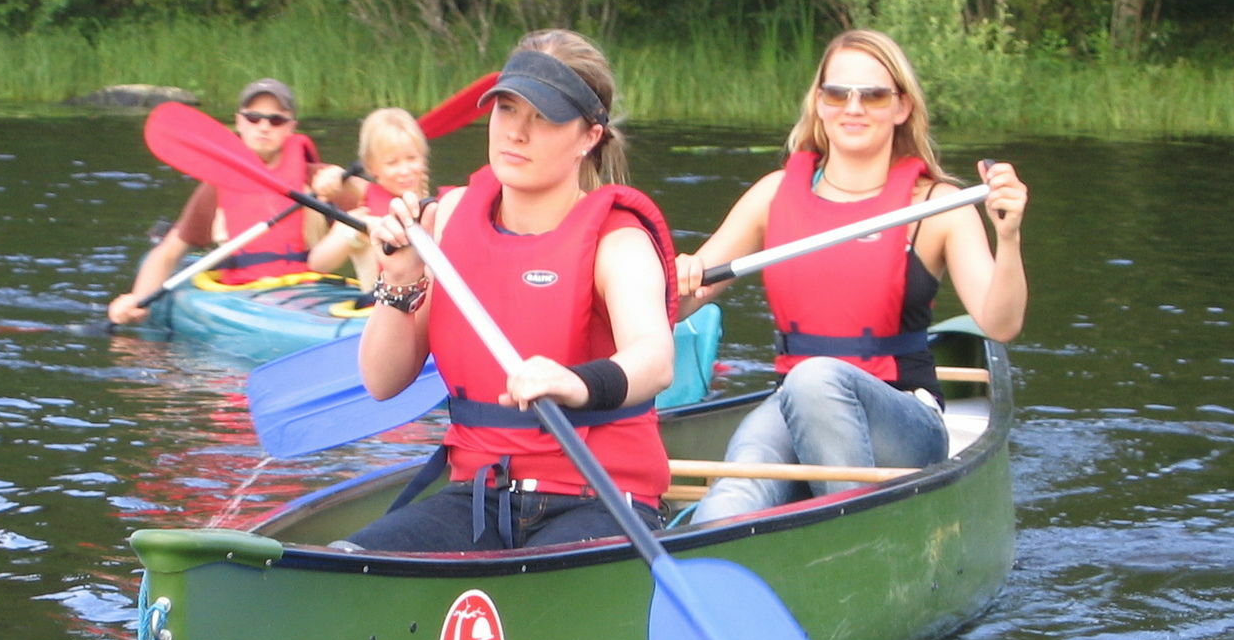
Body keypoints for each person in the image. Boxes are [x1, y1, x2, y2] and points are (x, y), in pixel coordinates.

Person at [338, 30, 676, 553]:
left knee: (537, 585)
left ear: (589, 135)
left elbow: (655, 361)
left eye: (543, 117)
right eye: (507, 109)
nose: (516, 132)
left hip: (599, 496)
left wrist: (574, 381)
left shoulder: (619, 240)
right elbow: (381, 382)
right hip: (479, 496)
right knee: (349, 564)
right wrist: (400, 279)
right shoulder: (445, 220)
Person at [674, 29, 1029, 522]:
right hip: (796, 404)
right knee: (732, 496)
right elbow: (681, 303)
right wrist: (683, 276)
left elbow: (1001, 323)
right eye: (837, 93)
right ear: (819, 103)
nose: (853, 107)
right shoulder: (774, 194)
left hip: (905, 418)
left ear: (901, 106)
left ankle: (853, 531)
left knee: (816, 376)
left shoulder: (938, 204)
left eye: (874, 95)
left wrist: (1007, 237)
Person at [106, 78, 332, 326]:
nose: (264, 127)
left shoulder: (317, 177)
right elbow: (169, 252)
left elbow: (374, 198)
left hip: (307, 292)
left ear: (291, 127)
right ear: (239, 123)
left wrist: (341, 180)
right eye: (253, 118)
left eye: (276, 120)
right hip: (242, 295)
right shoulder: (217, 185)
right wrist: (137, 299)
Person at [308, 107, 433, 286]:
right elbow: (317, 264)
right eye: (392, 163)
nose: (405, 171)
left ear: (423, 158)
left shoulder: (436, 208)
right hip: (380, 309)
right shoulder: (362, 215)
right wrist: (357, 230)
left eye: (412, 158)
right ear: (372, 167)